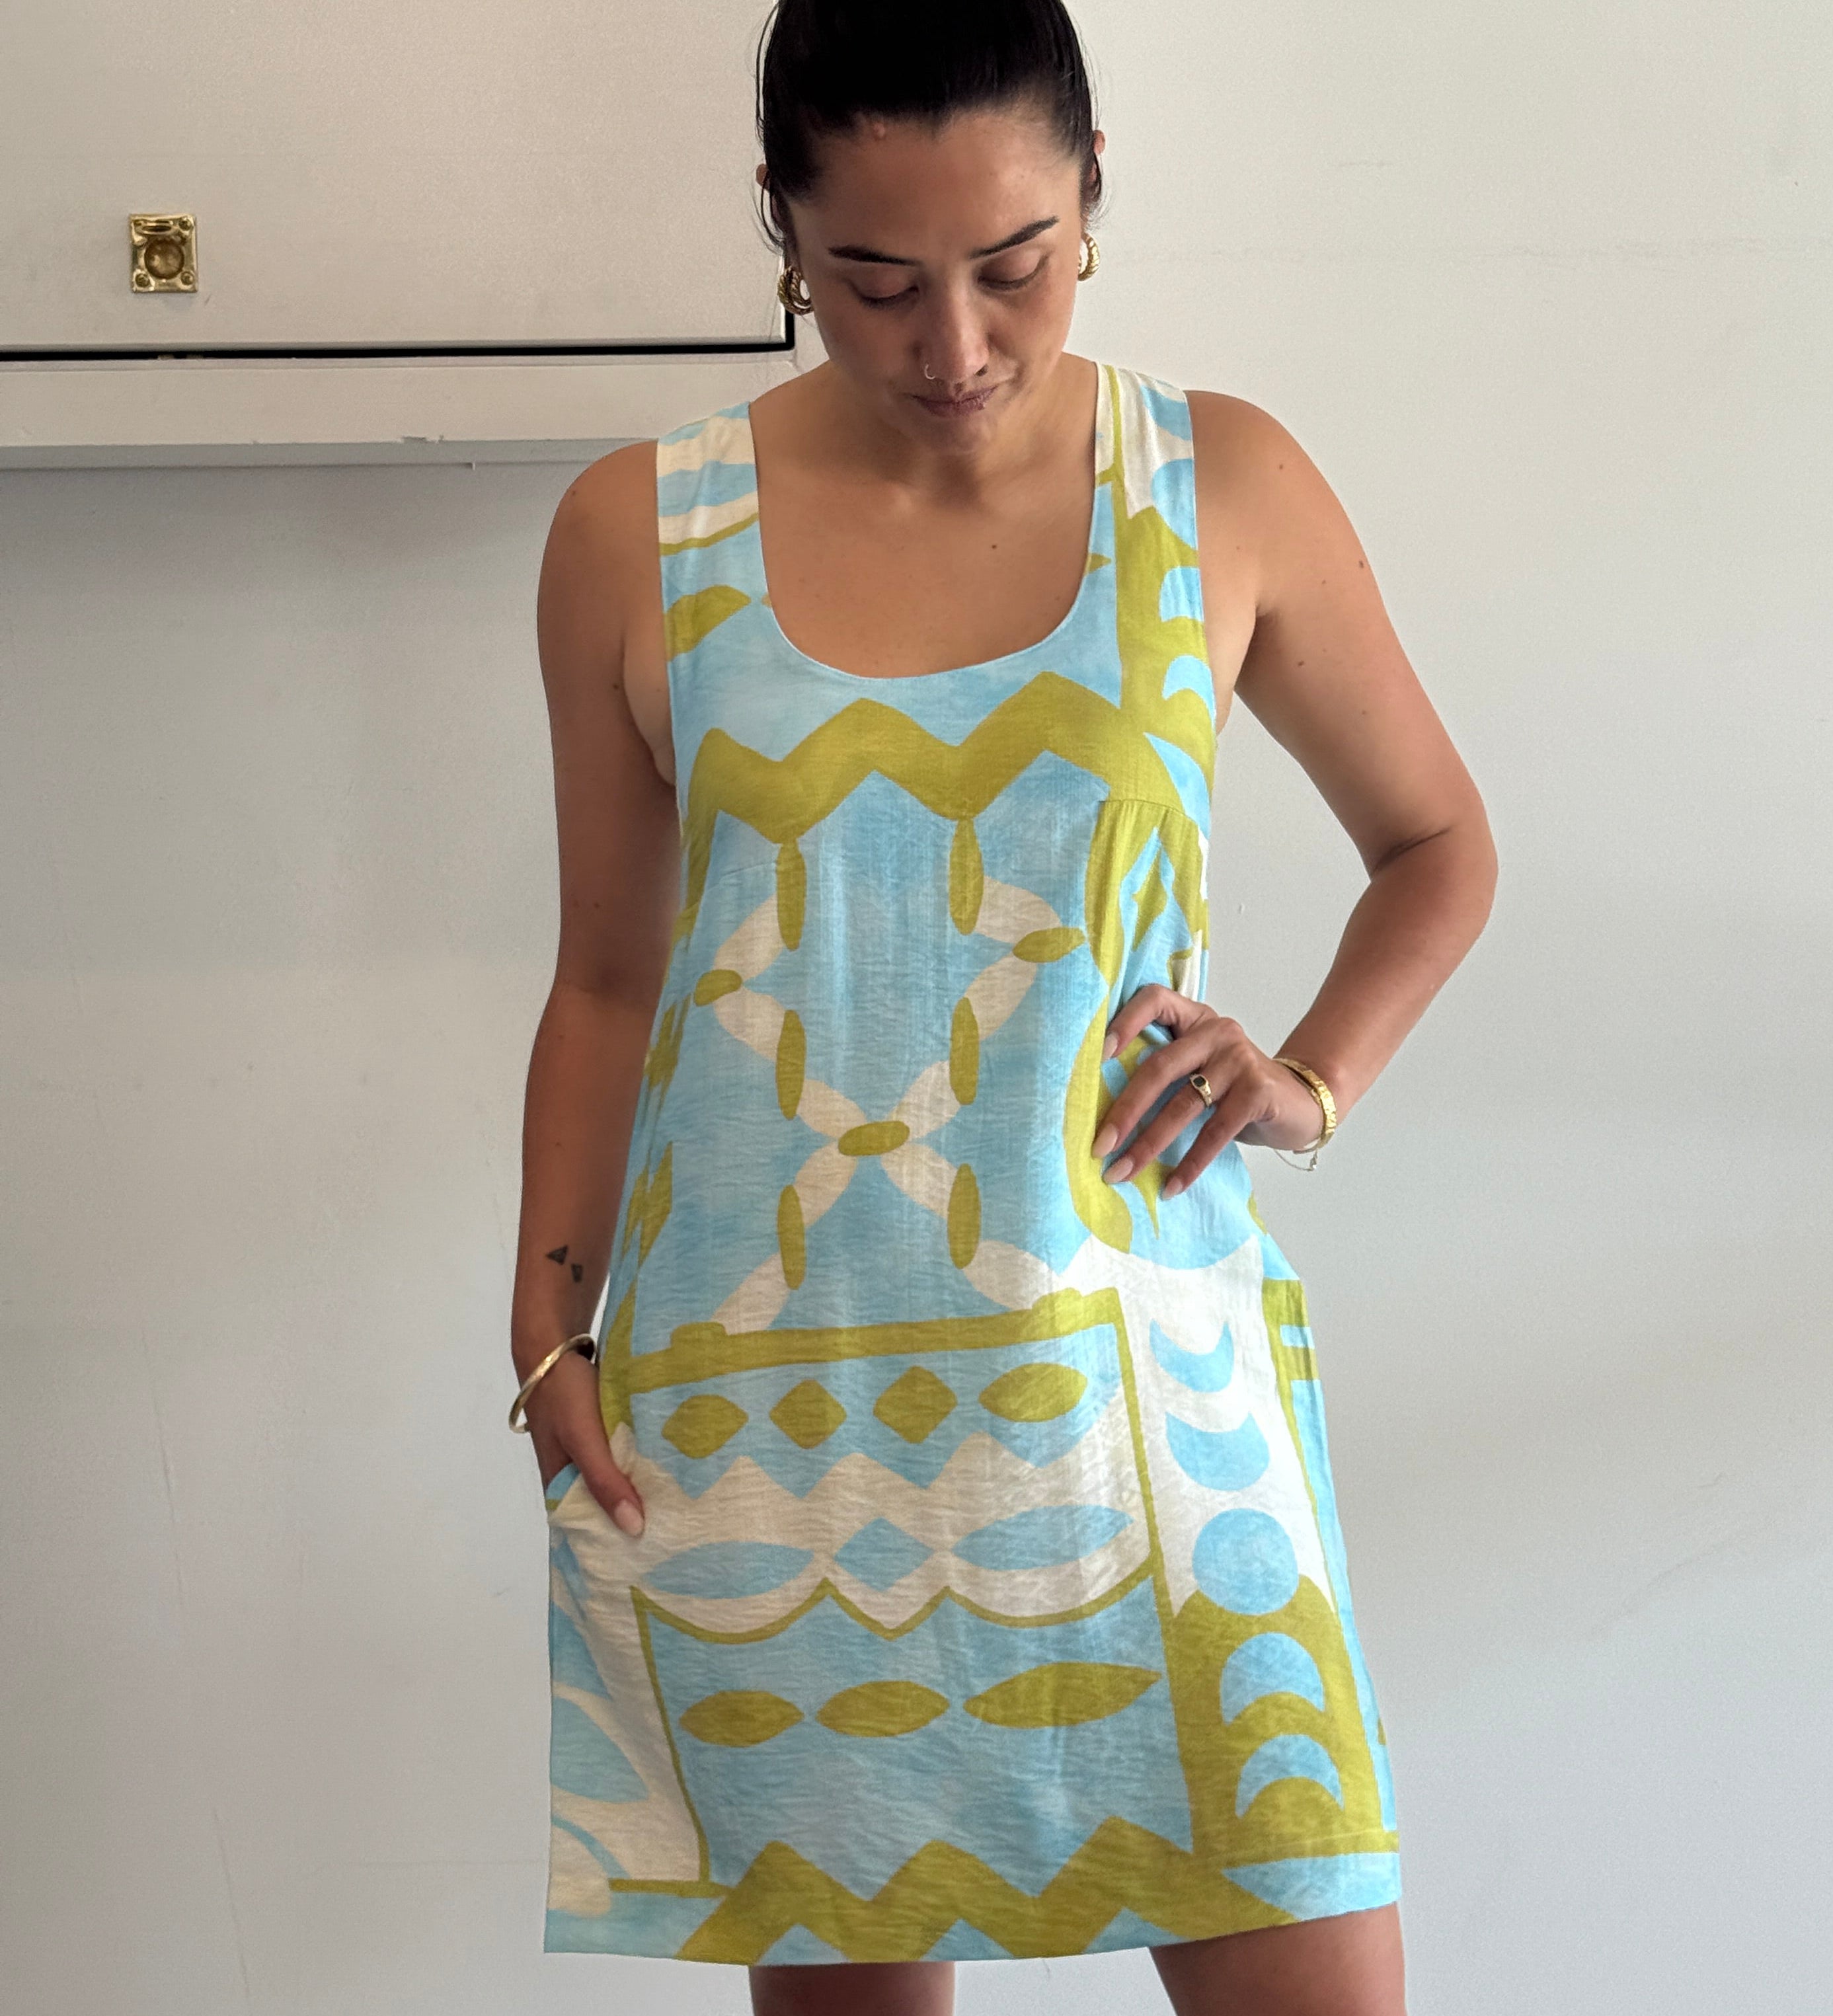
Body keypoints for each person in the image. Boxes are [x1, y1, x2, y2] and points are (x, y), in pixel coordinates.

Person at [509, 1, 1495, 2009]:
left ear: (1093, 200)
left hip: (1152, 1416)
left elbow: (1439, 843)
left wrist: (1310, 1080)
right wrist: (544, 1319)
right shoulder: (637, 533)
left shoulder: (1221, 483)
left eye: (1012, 267)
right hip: (784, 1432)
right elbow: (612, 974)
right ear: (783, 233)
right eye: (873, 280)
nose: (950, 345)